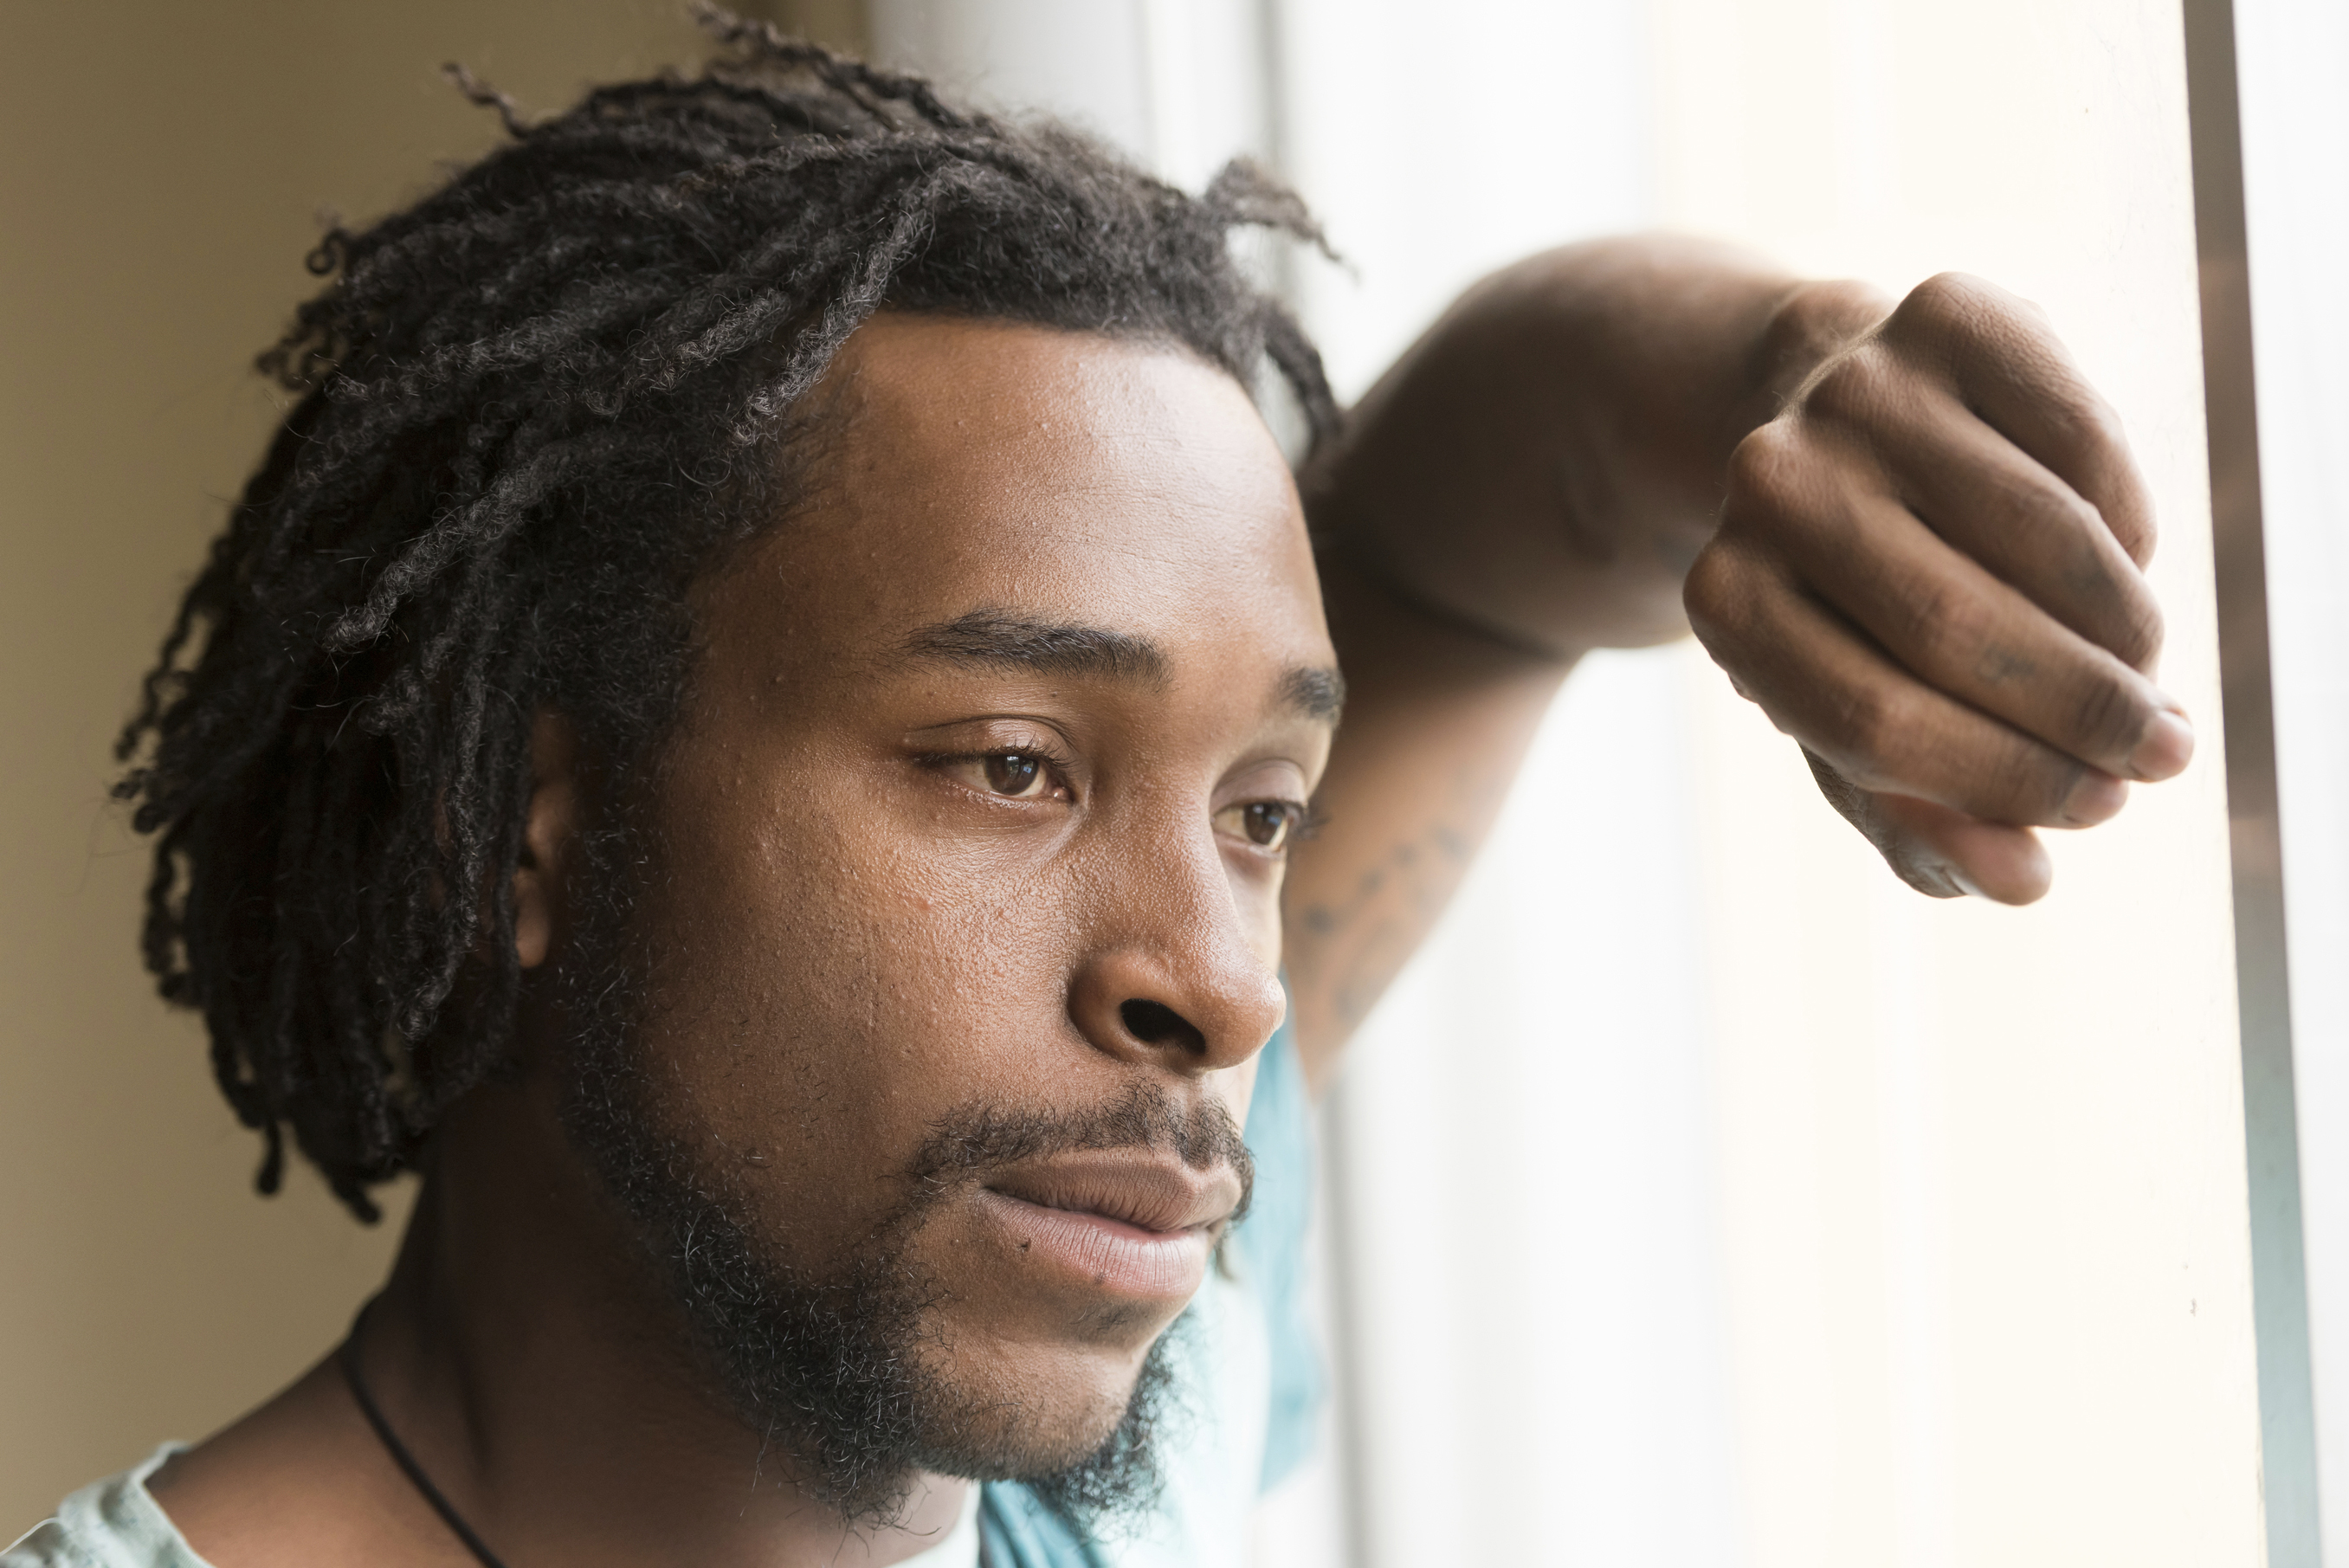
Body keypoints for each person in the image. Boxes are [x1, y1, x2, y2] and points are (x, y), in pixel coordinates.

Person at [5, 15, 2191, 1568]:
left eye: (1256, 808)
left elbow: (1454, 539)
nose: (1216, 989)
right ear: (527, 824)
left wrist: (1785, 376)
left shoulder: (1093, 1482)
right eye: (1018, 767)